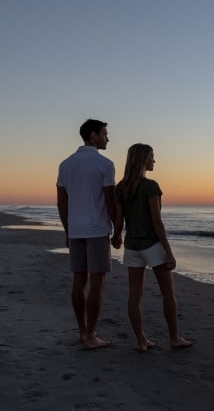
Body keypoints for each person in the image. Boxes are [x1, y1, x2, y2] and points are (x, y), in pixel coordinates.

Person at [111, 143, 192, 352]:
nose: (154, 161)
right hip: (152, 244)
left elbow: (119, 220)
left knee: (134, 294)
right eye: (152, 157)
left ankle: (141, 341)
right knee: (167, 293)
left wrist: (117, 236)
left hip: (132, 246)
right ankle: (174, 338)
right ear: (143, 160)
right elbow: (157, 222)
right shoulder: (150, 186)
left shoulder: (120, 187)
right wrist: (169, 251)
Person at [57, 118, 117, 350]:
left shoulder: (65, 164)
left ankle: (83, 331)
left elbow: (62, 202)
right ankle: (91, 335)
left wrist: (67, 229)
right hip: (96, 229)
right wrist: (118, 228)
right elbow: (110, 200)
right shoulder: (104, 164)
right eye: (104, 134)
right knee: (97, 282)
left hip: (76, 230)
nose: (107, 138)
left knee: (79, 280)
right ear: (93, 135)